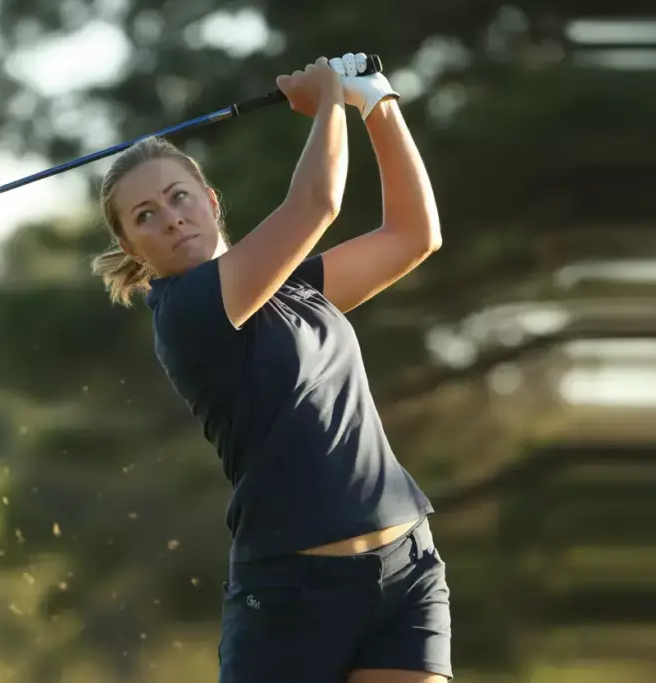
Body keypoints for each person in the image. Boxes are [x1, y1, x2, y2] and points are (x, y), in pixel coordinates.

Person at [91, 53, 450, 683]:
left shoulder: (297, 287)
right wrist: (331, 98)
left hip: (407, 567)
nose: (171, 217)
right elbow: (318, 202)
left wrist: (378, 102)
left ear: (209, 200)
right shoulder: (186, 312)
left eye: (179, 197)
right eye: (145, 215)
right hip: (292, 598)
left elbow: (413, 234)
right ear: (131, 247)